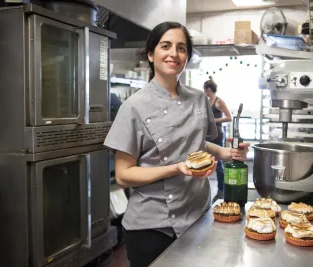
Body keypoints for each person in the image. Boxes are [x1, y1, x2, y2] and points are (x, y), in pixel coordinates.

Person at [104, 21, 249, 267]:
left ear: (187, 57)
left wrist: (227, 152)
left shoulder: (198, 99)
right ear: (151, 54)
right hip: (152, 227)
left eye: (181, 48)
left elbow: (196, 144)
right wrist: (176, 168)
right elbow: (124, 175)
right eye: (166, 46)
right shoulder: (134, 107)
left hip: (198, 217)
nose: (174, 53)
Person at [203, 76, 232, 202]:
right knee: (206, 161)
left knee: (218, 162)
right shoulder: (208, 101)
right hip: (207, 135)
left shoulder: (219, 101)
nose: (204, 91)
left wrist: (214, 120)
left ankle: (221, 190)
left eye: (205, 89)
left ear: (208, 89)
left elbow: (229, 117)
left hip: (217, 135)